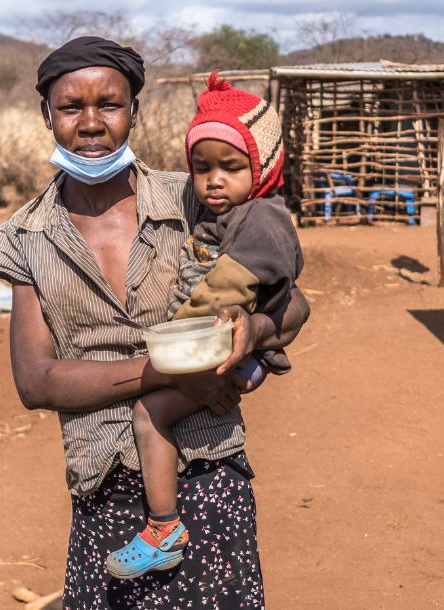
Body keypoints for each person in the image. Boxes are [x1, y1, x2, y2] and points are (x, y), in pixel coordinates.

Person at [0, 37, 309, 609]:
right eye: (69, 107)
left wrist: (251, 333)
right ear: (46, 116)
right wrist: (168, 372)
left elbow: (294, 304)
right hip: (102, 488)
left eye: (108, 104)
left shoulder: (196, 197)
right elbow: (36, 381)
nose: (90, 123)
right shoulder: (23, 238)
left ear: (136, 110)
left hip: (208, 472)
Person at [105, 73, 303, 581]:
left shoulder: (261, 220)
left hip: (229, 352)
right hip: (230, 351)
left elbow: (225, 293)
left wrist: (173, 348)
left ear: (263, 168)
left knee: (149, 413)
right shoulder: (230, 212)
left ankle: (164, 528)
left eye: (231, 168)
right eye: (202, 168)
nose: (213, 180)